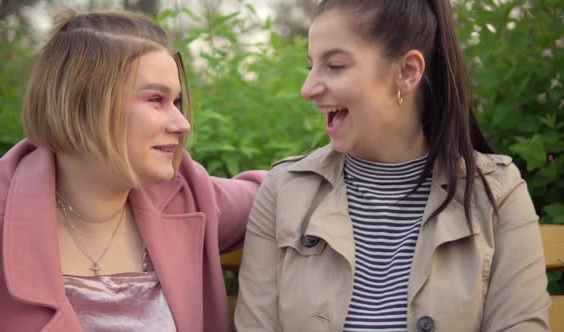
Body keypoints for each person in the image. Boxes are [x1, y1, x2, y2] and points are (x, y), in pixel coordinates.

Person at [235, 0, 550, 331]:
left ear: (408, 72)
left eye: (335, 66)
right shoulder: (284, 191)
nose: (307, 89)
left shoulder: (496, 193)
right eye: (310, 66)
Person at [0, 8, 265, 332]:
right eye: (156, 99)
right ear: (84, 103)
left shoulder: (186, 194)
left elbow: (282, 191)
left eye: (178, 102)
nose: (182, 124)